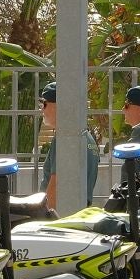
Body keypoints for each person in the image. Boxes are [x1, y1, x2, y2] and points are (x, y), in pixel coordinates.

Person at [40, 82, 99, 213]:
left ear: (58, 106)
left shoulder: (66, 137)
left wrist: (44, 218)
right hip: (77, 211)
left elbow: (57, 184)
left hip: (61, 215)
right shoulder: (85, 136)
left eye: (44, 104)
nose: (42, 109)